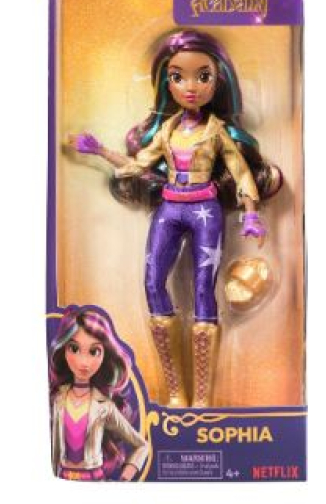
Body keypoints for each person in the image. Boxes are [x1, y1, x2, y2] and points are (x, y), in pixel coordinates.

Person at [68, 29, 282, 408]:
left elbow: (241, 172)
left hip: (205, 211)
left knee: (203, 291)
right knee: (153, 283)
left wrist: (251, 214)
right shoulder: (167, 130)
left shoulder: (216, 132)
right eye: (178, 77)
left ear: (218, 82)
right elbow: (138, 164)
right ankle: (175, 392)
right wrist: (99, 150)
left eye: (203, 76)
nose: (191, 87)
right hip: (170, 208)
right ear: (167, 82)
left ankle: (201, 398)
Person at [49, 306, 149, 480]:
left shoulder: (105, 406)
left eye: (94, 352)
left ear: (105, 355)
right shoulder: (58, 399)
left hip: (95, 479)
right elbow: (54, 448)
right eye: (74, 348)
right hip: (63, 477)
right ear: (63, 349)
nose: (84, 362)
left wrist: (127, 475)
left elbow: (142, 445)